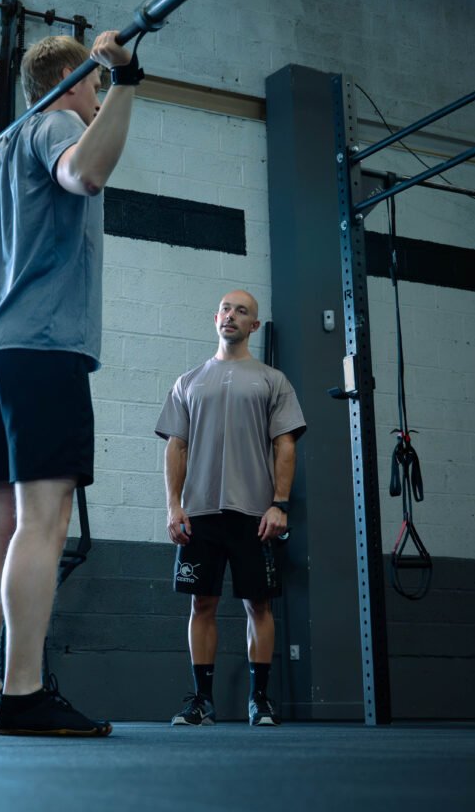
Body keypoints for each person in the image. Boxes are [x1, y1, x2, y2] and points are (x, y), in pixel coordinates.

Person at [0, 30, 142, 737]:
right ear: (70, 79)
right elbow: (84, 175)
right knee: (42, 521)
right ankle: (22, 696)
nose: (94, 103)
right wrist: (128, 80)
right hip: (41, 347)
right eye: (91, 87)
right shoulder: (56, 120)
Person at [155, 289, 306, 727]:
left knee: (258, 605)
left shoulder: (272, 380)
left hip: (254, 512)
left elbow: (285, 445)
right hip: (200, 513)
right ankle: (201, 700)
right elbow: (175, 447)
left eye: (242, 311)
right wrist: (173, 507)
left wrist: (279, 505)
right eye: (225, 308)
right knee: (201, 604)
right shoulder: (188, 381)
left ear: (254, 326)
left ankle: (260, 700)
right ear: (215, 317)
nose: (231, 315)